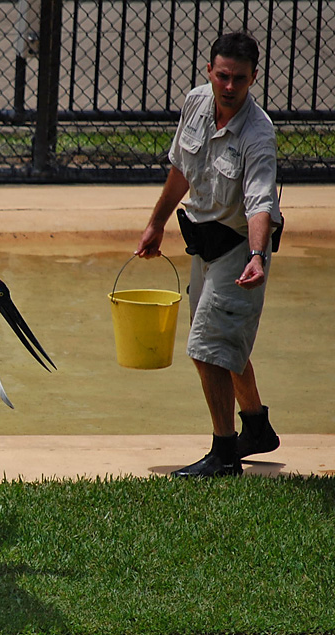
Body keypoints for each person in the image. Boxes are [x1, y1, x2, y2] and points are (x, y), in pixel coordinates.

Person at [136, 31, 283, 477]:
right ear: (209, 72)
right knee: (223, 340)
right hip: (203, 246)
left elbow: (260, 201)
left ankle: (223, 454)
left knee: (207, 349)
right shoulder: (196, 103)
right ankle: (256, 426)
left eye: (240, 78)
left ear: (254, 77)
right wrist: (157, 222)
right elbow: (182, 168)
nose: (230, 86)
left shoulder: (258, 135)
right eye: (223, 75)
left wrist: (257, 255)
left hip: (240, 250)